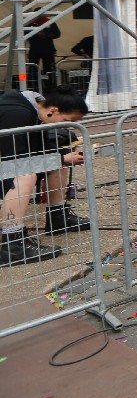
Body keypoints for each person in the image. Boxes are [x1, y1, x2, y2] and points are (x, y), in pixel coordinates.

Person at [0, 86, 91, 265]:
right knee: (25, 176)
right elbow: (14, 160)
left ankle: (58, 218)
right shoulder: (18, 114)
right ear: (53, 110)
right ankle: (13, 245)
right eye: (66, 121)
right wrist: (61, 157)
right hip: (9, 163)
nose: (65, 127)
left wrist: (63, 157)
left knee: (56, 163)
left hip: (9, 161)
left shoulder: (34, 111)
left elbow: (40, 151)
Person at [26, 15, 61, 86]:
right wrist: (36, 34)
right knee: (33, 68)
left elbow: (57, 34)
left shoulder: (50, 22)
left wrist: (46, 35)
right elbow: (25, 35)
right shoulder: (30, 23)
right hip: (35, 50)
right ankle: (32, 86)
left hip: (48, 49)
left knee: (49, 69)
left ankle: (50, 86)